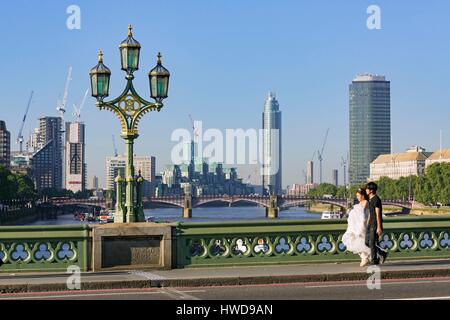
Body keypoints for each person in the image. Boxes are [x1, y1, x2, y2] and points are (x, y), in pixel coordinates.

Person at [342, 188, 372, 267]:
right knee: (357, 242)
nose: (357, 197)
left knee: (358, 242)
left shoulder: (365, 202)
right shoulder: (361, 203)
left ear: (363, 195)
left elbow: (364, 215)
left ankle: (365, 258)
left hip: (361, 226)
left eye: (358, 196)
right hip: (357, 226)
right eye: (357, 196)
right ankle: (364, 258)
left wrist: (361, 225)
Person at [365, 182, 388, 265]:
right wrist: (367, 223)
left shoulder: (376, 200)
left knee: (372, 242)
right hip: (370, 223)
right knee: (367, 242)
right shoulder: (370, 199)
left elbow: (378, 214)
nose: (366, 190)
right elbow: (371, 213)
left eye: (367, 189)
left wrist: (379, 227)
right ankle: (382, 253)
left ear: (371, 190)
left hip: (375, 224)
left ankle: (374, 260)